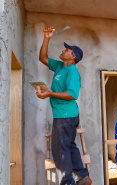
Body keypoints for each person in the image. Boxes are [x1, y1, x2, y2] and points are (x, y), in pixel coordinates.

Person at [36, 27, 92, 185]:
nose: (63, 50)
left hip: (65, 116)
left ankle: (67, 182)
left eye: (66, 50)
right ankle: (82, 176)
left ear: (73, 57)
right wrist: (47, 37)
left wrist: (49, 94)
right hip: (65, 115)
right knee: (69, 145)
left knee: (60, 150)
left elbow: (72, 94)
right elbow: (43, 58)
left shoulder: (72, 72)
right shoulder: (60, 66)